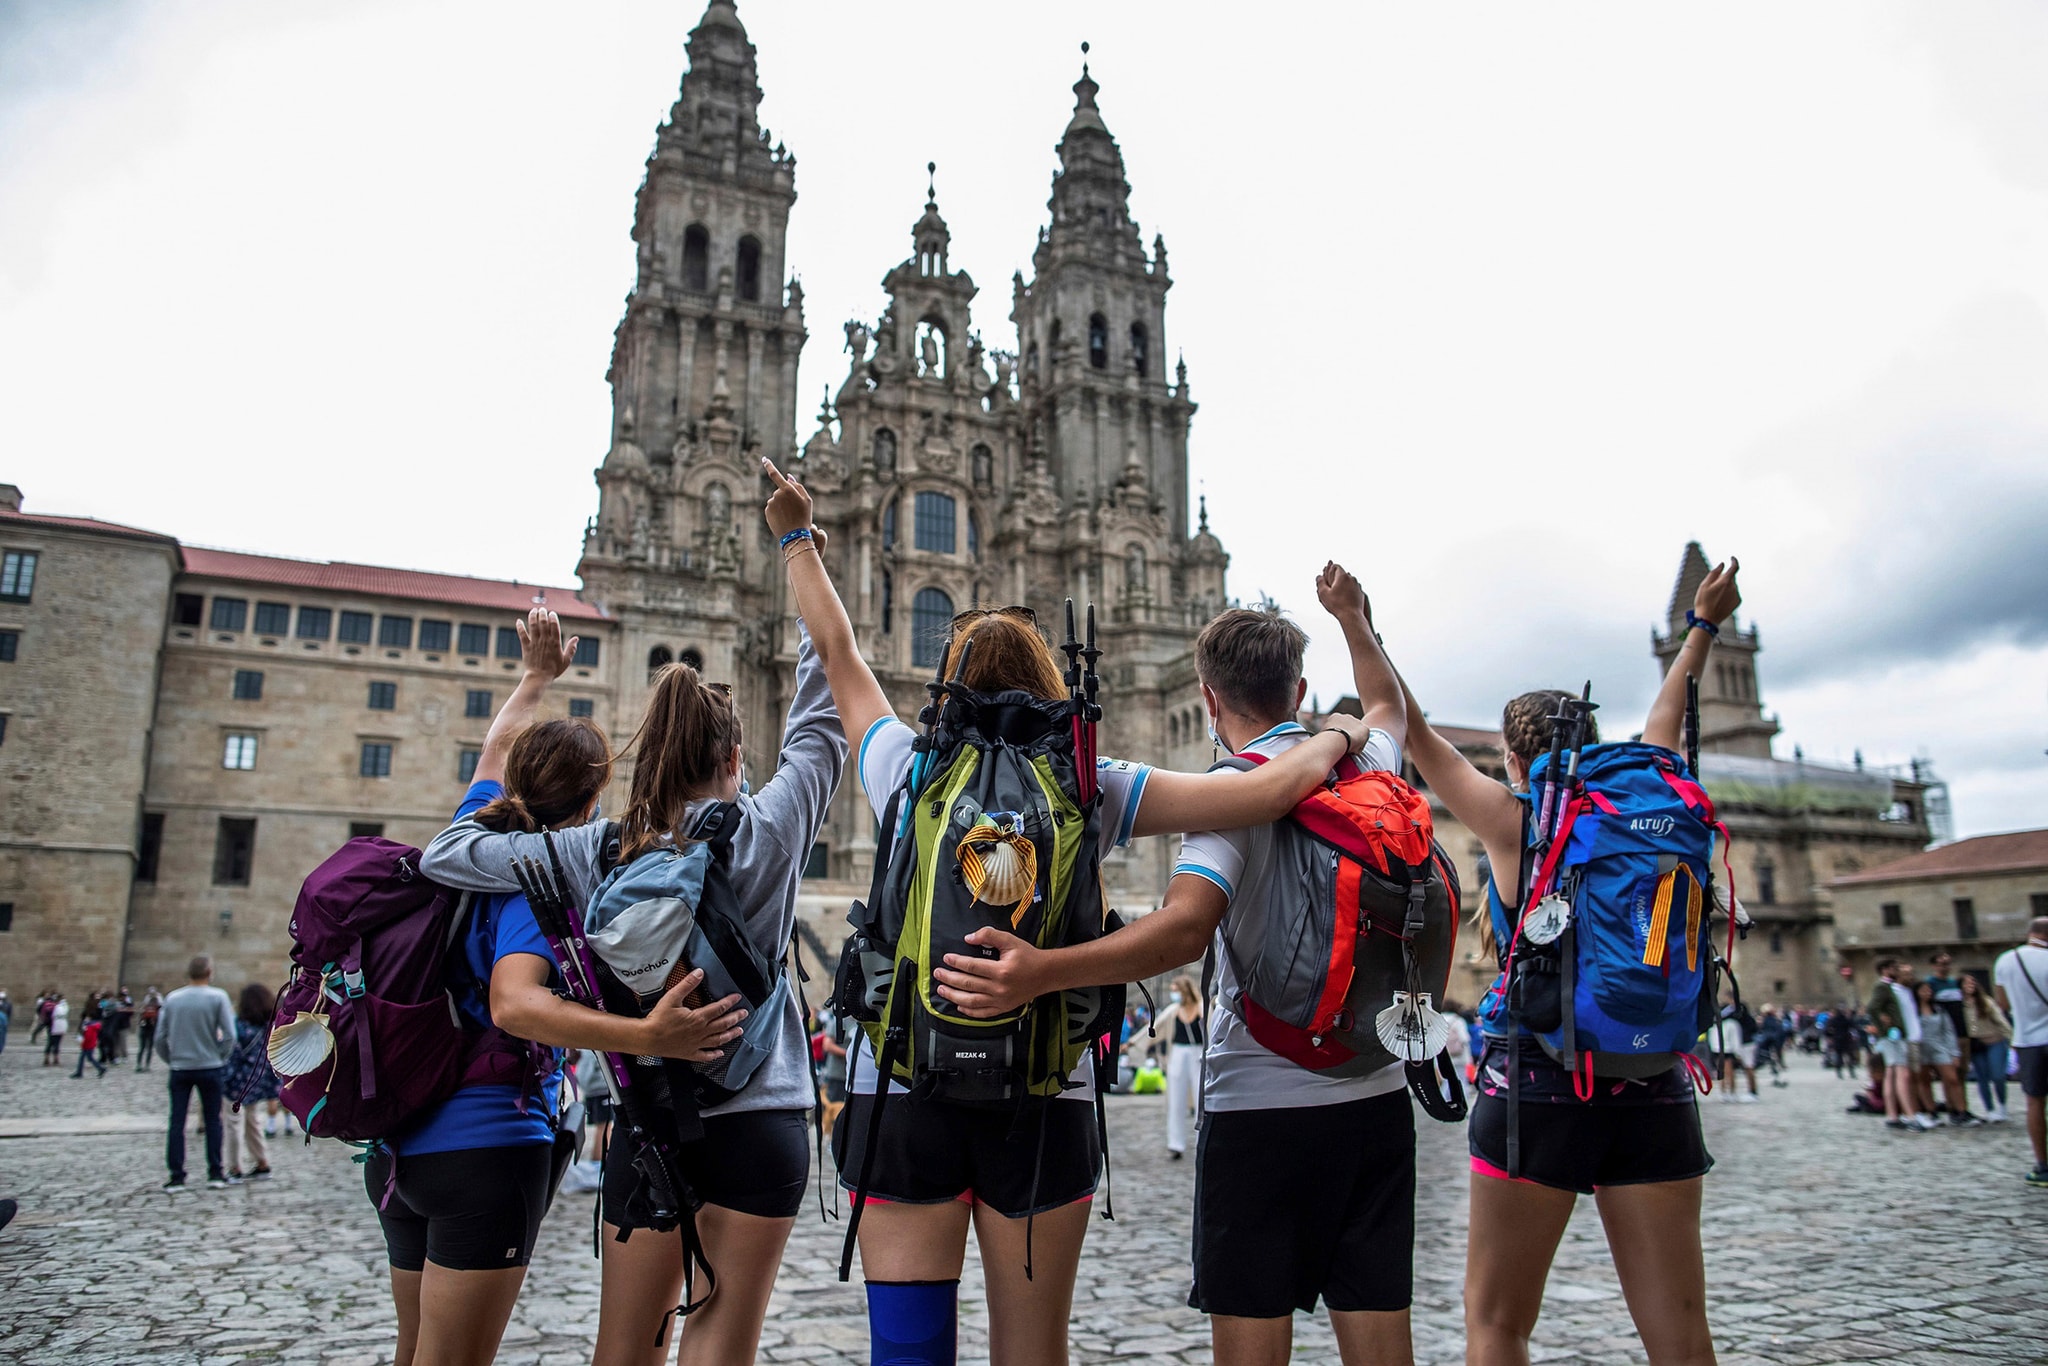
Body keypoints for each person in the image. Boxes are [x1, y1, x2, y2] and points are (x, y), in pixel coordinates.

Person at [762, 459, 1376, 1366]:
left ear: (947, 683)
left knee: (907, 1351)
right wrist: (1338, 730)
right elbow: (1261, 791)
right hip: (1047, 1091)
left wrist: (795, 538)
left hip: (903, 1081)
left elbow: (843, 655)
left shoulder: (904, 763)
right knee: (1032, 1350)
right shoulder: (1092, 781)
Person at [930, 564, 1415, 1366]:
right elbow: (1391, 707)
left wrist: (1041, 971)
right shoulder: (1373, 765)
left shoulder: (1229, 792)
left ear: (1209, 698)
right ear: (1298, 692)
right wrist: (1354, 620)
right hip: (1376, 1093)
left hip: (1260, 1102)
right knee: (1379, 1338)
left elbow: (1184, 931)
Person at [420, 604, 837, 1366]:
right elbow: (824, 712)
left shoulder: (592, 850)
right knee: (723, 1337)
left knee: (627, 1349)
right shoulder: (772, 830)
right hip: (763, 1118)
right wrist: (800, 556)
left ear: (643, 766)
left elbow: (446, 855)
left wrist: (523, 716)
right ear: (736, 758)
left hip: (649, 1120)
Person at [1393, 556, 1742, 1366]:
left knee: (1499, 1326)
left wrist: (1356, 624)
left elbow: (1411, 726)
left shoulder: (1516, 817)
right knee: (1682, 1333)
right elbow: (1669, 713)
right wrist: (1702, 627)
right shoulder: (1656, 788)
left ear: (1516, 761)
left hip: (1539, 1087)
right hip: (1654, 1077)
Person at [156, 954, 239, 1191]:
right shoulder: (218, 997)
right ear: (209, 972)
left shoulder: (173, 998)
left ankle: (176, 1175)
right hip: (210, 1066)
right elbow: (230, 1035)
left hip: (180, 1067)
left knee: (177, 1121)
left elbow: (160, 1038)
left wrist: (172, 1059)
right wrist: (219, 1056)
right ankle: (215, 1172)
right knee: (214, 1120)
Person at [1992, 917, 2048, 1187]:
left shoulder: (2005, 960)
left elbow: (2001, 1002)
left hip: (2027, 1040)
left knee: (2035, 1102)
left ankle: (2042, 1165)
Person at [1866, 959, 1935, 1132]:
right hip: (1894, 1037)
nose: (1896, 971)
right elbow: (1873, 1008)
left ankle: (1893, 1115)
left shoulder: (1891, 987)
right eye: (1893, 968)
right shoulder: (1884, 986)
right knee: (1902, 1074)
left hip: (1893, 1036)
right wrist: (1886, 1027)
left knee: (1891, 1075)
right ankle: (1910, 1116)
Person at [223, 984, 279, 1180]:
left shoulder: (239, 1027)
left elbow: (232, 1055)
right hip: (257, 1081)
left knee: (234, 1124)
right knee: (253, 1121)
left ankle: (235, 1167)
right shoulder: (269, 1026)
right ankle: (262, 1161)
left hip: (237, 1082)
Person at [1914, 979, 1977, 1126]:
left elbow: (1948, 1031)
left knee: (1952, 1078)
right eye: (1923, 990)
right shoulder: (1913, 1012)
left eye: (1929, 990)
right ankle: (1931, 1111)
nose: (1927, 993)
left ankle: (1960, 1111)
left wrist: (1954, 1052)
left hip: (1939, 1046)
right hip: (1921, 1048)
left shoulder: (1939, 1010)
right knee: (1924, 1081)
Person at [1158, 975, 1204, 1161]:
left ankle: (1203, 1141)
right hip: (1177, 1052)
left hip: (1198, 1053)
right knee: (1175, 1099)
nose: (1173, 993)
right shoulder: (1173, 1011)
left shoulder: (1202, 1008)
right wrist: (1130, 1044)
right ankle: (1175, 1144)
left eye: (1175, 990)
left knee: (1202, 1098)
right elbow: (1154, 1028)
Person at [1961, 973, 2011, 1123]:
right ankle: (1989, 1109)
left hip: (1994, 1041)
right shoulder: (1960, 1005)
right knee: (1982, 1078)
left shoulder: (1985, 1002)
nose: (1970, 986)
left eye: (1972, 983)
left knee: (1998, 1075)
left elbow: (2000, 1020)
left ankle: (2002, 1105)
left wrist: (2009, 1037)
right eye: (1966, 983)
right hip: (1976, 1046)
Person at [1711, 995, 1760, 1103]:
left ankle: (1753, 1092)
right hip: (1740, 1042)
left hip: (1745, 1043)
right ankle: (1745, 1092)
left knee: (1748, 1067)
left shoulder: (1739, 1009)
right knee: (1740, 1068)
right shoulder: (1732, 1010)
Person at [136, 988, 163, 1071]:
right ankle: (144, 1065)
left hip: (147, 1028)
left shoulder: (154, 1008)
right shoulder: (155, 1008)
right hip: (150, 1028)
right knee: (147, 1048)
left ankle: (141, 1065)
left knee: (143, 1048)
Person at [41, 994, 66, 1066]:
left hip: (50, 1027)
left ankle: (46, 1058)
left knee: (50, 1043)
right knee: (57, 1043)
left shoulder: (48, 1006)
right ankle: (56, 1058)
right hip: (58, 1027)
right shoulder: (59, 1007)